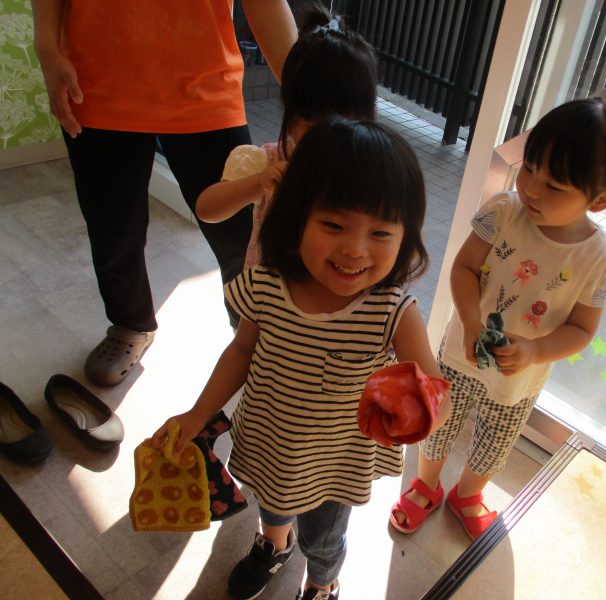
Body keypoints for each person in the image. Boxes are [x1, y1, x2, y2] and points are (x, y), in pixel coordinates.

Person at [150, 118, 450, 600]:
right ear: (295, 217)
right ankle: (274, 544)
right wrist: (198, 413)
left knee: (323, 541)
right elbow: (241, 350)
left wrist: (420, 408)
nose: (354, 249)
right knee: (272, 506)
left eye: (380, 232)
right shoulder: (267, 283)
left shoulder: (394, 312)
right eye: (333, 225)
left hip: (334, 465)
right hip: (271, 443)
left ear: (405, 237)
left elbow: (436, 389)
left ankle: (322, 582)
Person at [390, 98, 606, 541]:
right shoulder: (504, 211)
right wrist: (471, 324)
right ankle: (426, 484)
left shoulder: (599, 262)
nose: (532, 188)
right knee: (440, 423)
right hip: (460, 352)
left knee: (495, 442)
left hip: (521, 375)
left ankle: (468, 494)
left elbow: (582, 330)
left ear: (603, 198)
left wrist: (534, 349)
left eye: (554, 185)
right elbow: (464, 268)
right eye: (529, 168)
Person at [31, 0, 297, 386]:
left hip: (205, 83)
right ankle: (130, 323)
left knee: (243, 233)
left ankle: (254, 334)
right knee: (112, 229)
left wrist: (307, 102)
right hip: (96, 83)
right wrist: (47, 47)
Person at [196, 2, 378, 271]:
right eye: (316, 128)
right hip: (266, 295)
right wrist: (258, 183)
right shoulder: (270, 161)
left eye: (346, 127)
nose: (331, 139)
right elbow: (207, 210)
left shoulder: (372, 172)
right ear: (292, 119)